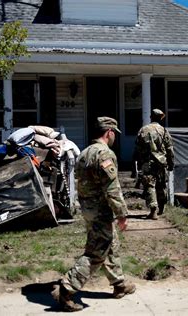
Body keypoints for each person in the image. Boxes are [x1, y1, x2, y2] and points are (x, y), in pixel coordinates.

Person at [52, 116, 136, 312]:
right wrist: (122, 214)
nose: (115, 137)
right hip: (100, 210)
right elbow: (112, 188)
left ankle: (119, 284)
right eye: (114, 133)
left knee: (111, 243)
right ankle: (67, 288)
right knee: (97, 251)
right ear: (109, 132)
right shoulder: (104, 154)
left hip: (89, 209)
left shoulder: (84, 153)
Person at [133, 109, 174, 220]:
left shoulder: (143, 130)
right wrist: (171, 163)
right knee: (161, 185)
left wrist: (138, 163)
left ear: (151, 117)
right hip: (161, 162)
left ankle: (153, 210)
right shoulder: (164, 131)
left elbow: (137, 148)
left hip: (148, 162)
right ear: (161, 118)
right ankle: (161, 208)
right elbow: (170, 149)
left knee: (150, 185)